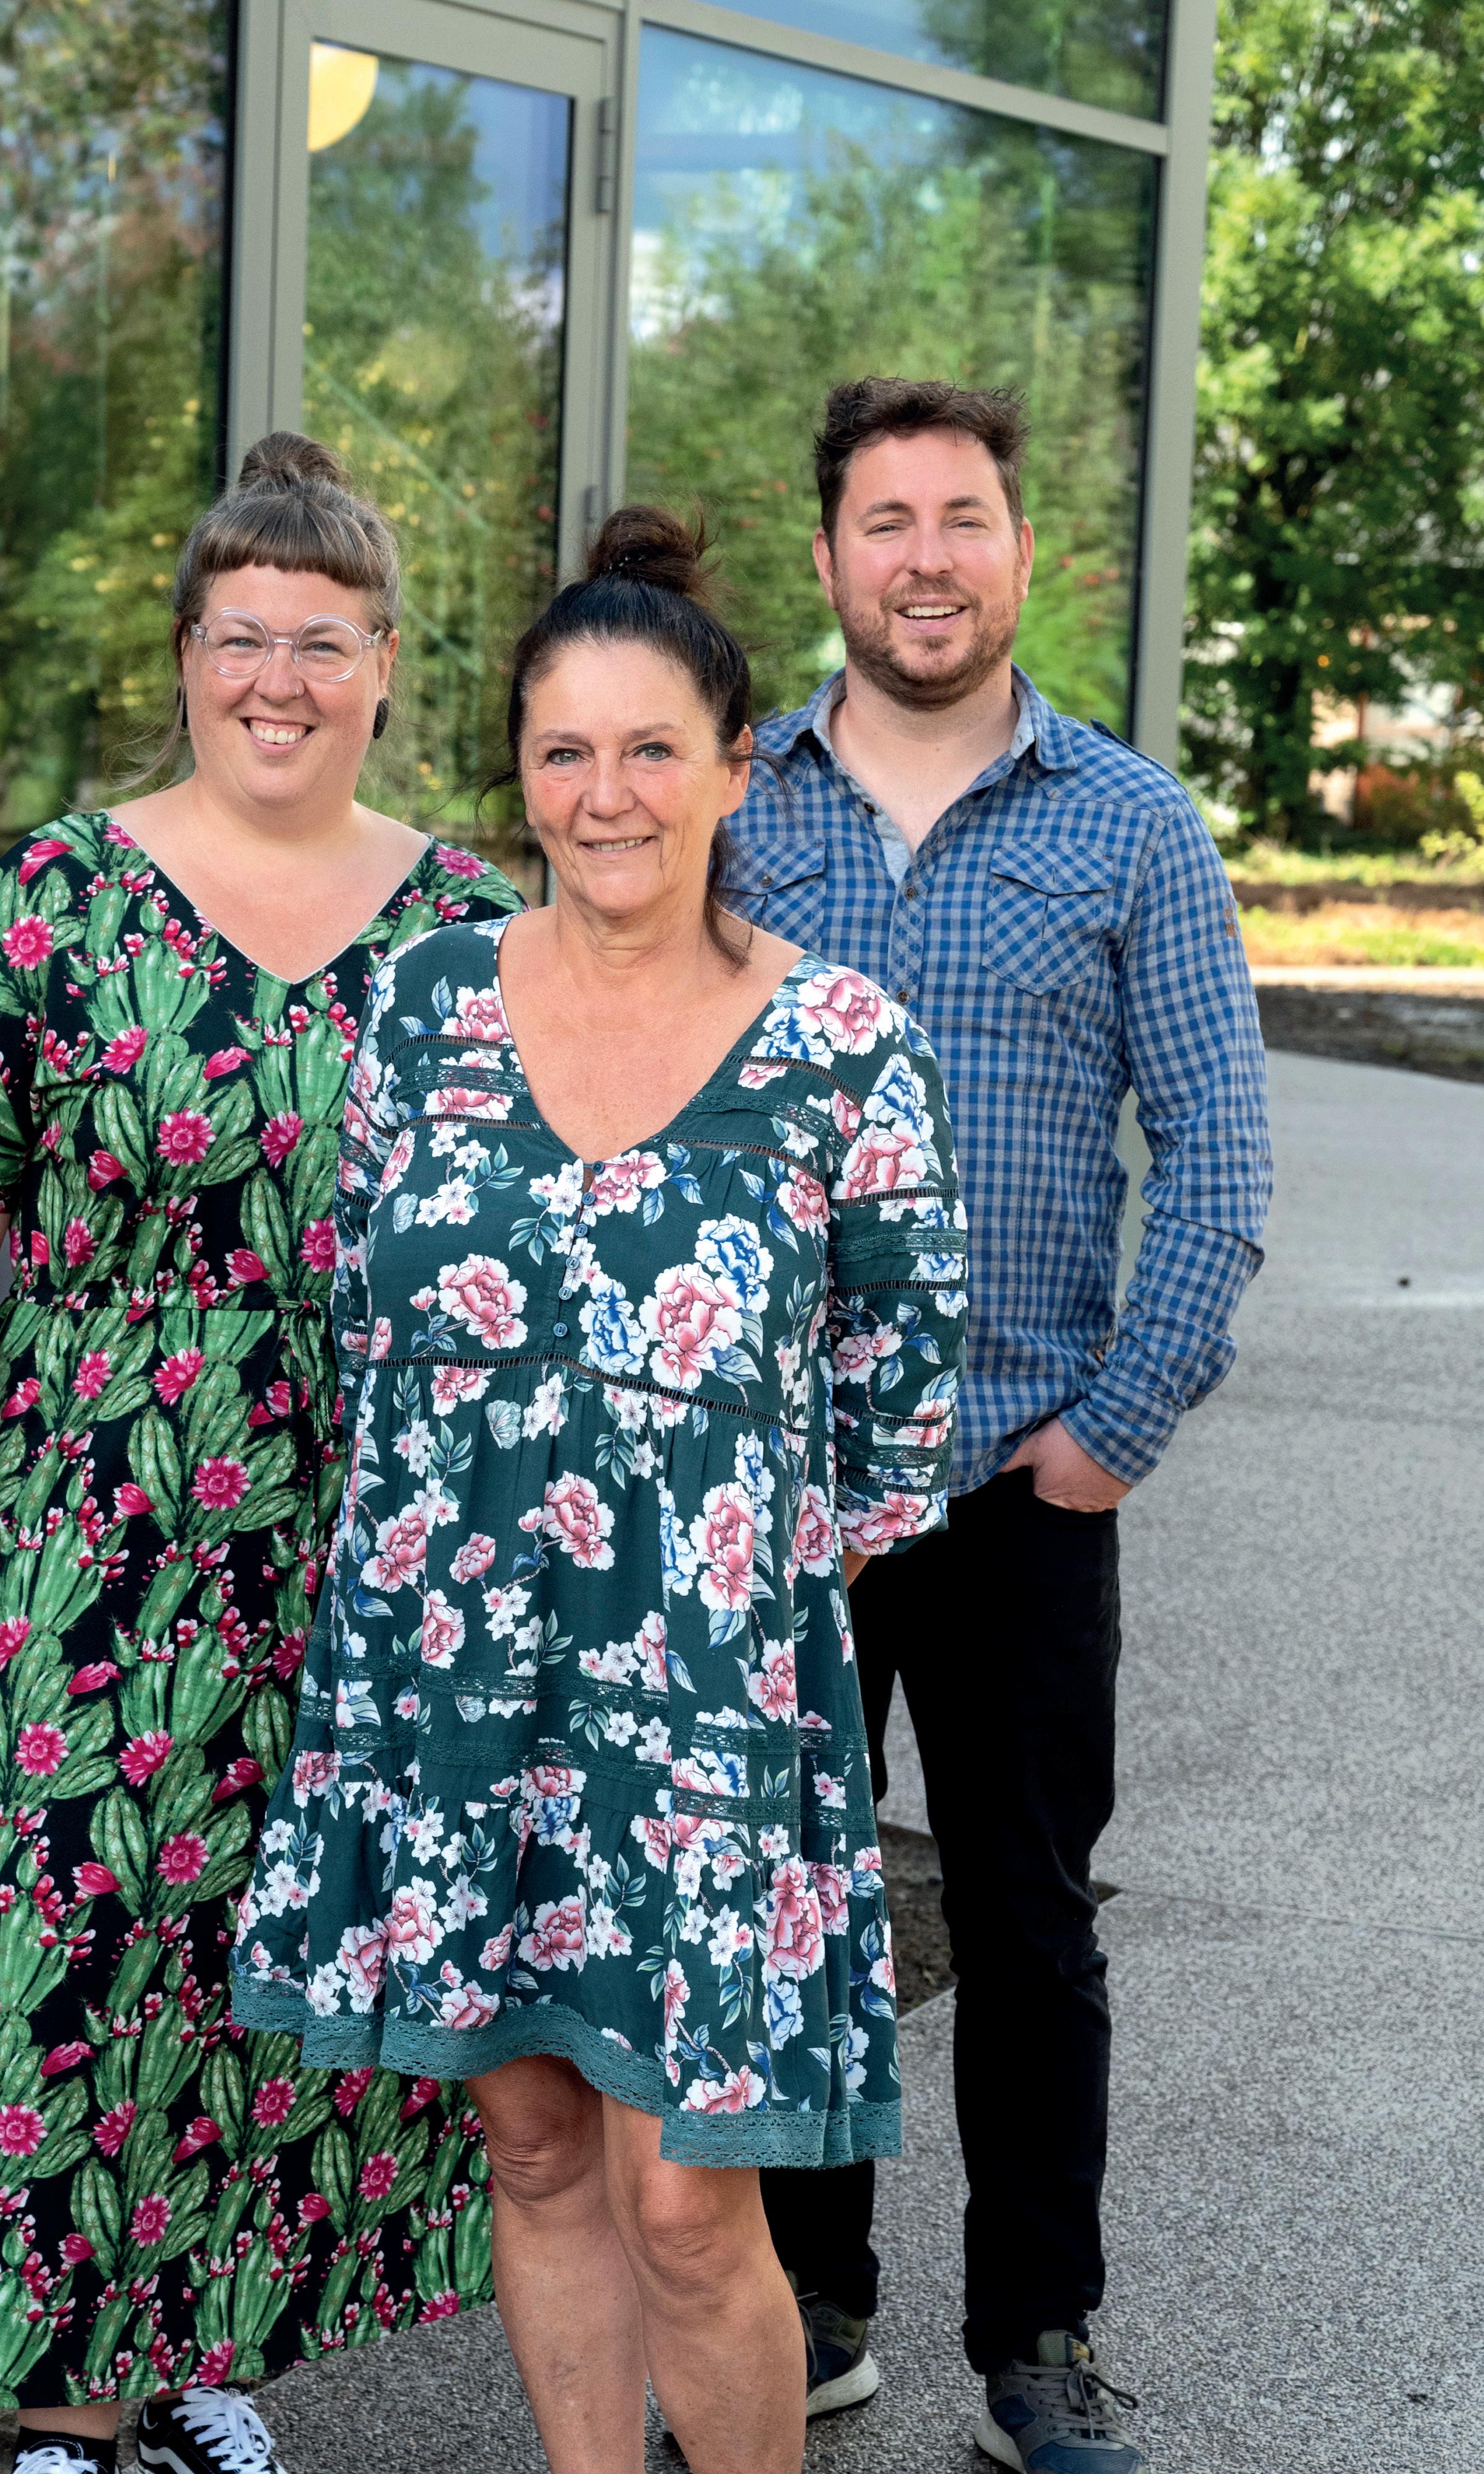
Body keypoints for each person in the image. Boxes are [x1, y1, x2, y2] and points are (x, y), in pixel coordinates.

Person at [231, 506, 970, 2473]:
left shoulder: (840, 1046)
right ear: (518, 772)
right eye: (563, 750)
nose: (605, 792)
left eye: (651, 748)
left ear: (737, 769)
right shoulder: (420, 1004)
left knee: (687, 2202)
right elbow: (356, 1308)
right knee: (538, 2145)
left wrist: (721, 1596)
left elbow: (898, 1405)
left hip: (704, 1713)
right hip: (457, 1685)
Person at [0, 432, 523, 2474]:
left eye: (321, 639)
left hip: (365, 1531)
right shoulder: (51, 898)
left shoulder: (475, 927)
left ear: (386, 664)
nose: (277, 678)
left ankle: (202, 2347)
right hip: (84, 1512)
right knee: (66, 1933)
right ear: (183, 655)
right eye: (241, 635)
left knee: (283, 1952)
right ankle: (66, 2408)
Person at [727, 378, 1272, 2474]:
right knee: (787, 1910)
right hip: (768, 1487)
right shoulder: (733, 804)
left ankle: (1037, 2341)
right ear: (828, 558)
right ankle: (807, 2306)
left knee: (1031, 1924)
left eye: (962, 517)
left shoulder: (1128, 823)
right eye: (885, 521)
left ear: (1020, 551)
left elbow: (1215, 1156)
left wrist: (1111, 1431)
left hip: (1019, 1475)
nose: (926, 557)